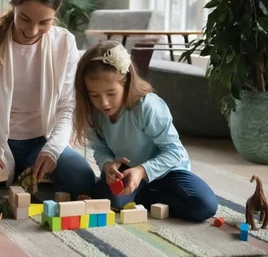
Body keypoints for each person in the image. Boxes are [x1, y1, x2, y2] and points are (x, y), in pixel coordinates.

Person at [0, 0, 96, 198]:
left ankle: (30, 173)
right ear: (14, 5)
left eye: (44, 22)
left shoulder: (65, 43)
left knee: (83, 178)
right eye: (24, 18)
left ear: (55, 16)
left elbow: (66, 107)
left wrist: (53, 149)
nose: (32, 31)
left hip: (40, 142)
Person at [72, 41, 218, 222]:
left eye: (111, 93)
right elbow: (100, 148)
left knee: (205, 206)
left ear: (126, 83)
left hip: (168, 171)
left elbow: (175, 152)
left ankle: (145, 195)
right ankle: (145, 195)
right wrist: (107, 164)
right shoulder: (92, 112)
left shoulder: (146, 107)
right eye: (94, 95)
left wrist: (142, 171)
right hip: (127, 171)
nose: (103, 103)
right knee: (107, 198)